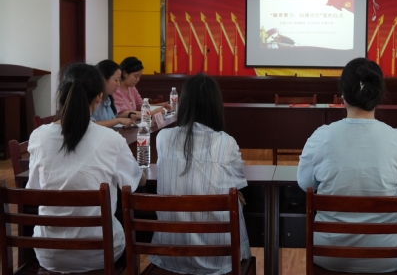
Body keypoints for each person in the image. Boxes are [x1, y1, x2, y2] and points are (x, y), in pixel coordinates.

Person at [297, 57, 397, 273]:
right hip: (387, 256)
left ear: (342, 95)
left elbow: (305, 184)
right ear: (379, 95)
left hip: (328, 254)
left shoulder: (321, 137)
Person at [26, 63, 145, 273]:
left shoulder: (39, 136)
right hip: (100, 253)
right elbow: (136, 182)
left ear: (60, 94)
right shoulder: (111, 139)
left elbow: (33, 190)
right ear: (99, 98)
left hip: (49, 252)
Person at [150, 73, 250, 274]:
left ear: (184, 104)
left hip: (170, 255)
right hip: (219, 259)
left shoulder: (163, 137)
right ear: (215, 106)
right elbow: (238, 180)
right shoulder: (226, 142)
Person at [92, 59, 138, 127]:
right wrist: (118, 121)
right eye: (116, 80)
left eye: (119, 80)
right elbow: (91, 125)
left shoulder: (108, 99)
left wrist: (129, 117)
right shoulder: (93, 99)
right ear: (103, 79)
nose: (118, 84)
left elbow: (111, 119)